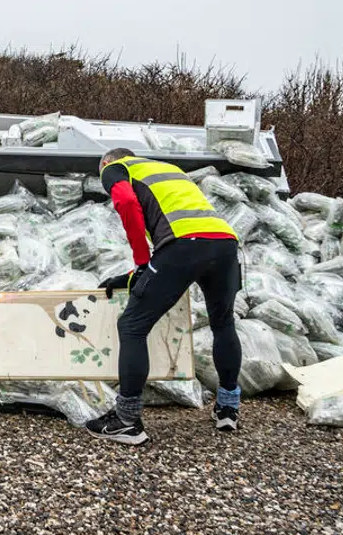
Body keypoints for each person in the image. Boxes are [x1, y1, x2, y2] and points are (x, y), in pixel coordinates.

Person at [84, 148, 243, 445]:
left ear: (108, 161)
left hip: (185, 245)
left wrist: (143, 264)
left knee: (132, 325)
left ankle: (127, 421)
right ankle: (228, 408)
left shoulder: (115, 169)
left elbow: (128, 204)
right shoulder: (167, 170)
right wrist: (136, 275)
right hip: (225, 243)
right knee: (223, 323)